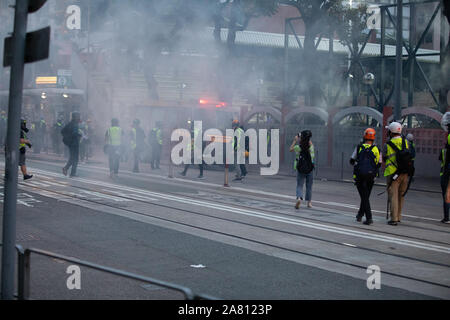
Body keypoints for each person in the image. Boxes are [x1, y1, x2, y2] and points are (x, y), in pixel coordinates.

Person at [349, 128, 381, 225]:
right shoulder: (377, 149)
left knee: (364, 197)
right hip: (371, 176)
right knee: (365, 196)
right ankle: (359, 215)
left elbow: (351, 161)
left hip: (360, 176)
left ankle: (369, 218)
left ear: (364, 136)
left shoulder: (359, 147)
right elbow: (379, 164)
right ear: (373, 137)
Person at [382, 122, 411, 226]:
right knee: (401, 195)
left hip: (393, 173)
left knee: (393, 196)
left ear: (391, 132)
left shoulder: (387, 144)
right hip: (405, 173)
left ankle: (393, 219)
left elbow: (384, 158)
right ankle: (398, 217)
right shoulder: (406, 142)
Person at [290, 130, 314, 209]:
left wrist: (295, 140)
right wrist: (306, 137)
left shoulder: (298, 148)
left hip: (300, 168)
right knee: (309, 186)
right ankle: (309, 203)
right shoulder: (311, 148)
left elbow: (291, 149)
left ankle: (299, 198)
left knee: (299, 185)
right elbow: (310, 143)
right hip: (310, 169)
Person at [61, 112, 82, 178]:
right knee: (75, 158)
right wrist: (80, 135)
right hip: (74, 143)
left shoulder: (69, 123)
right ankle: (72, 173)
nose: (79, 117)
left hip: (70, 143)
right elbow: (74, 134)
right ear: (75, 117)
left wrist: (67, 138)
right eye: (78, 116)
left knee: (72, 157)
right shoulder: (75, 124)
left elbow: (62, 131)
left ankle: (67, 169)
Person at [439, 113, 450, 224]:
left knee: (446, 194)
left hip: (447, 172)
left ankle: (447, 217)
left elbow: (446, 157)